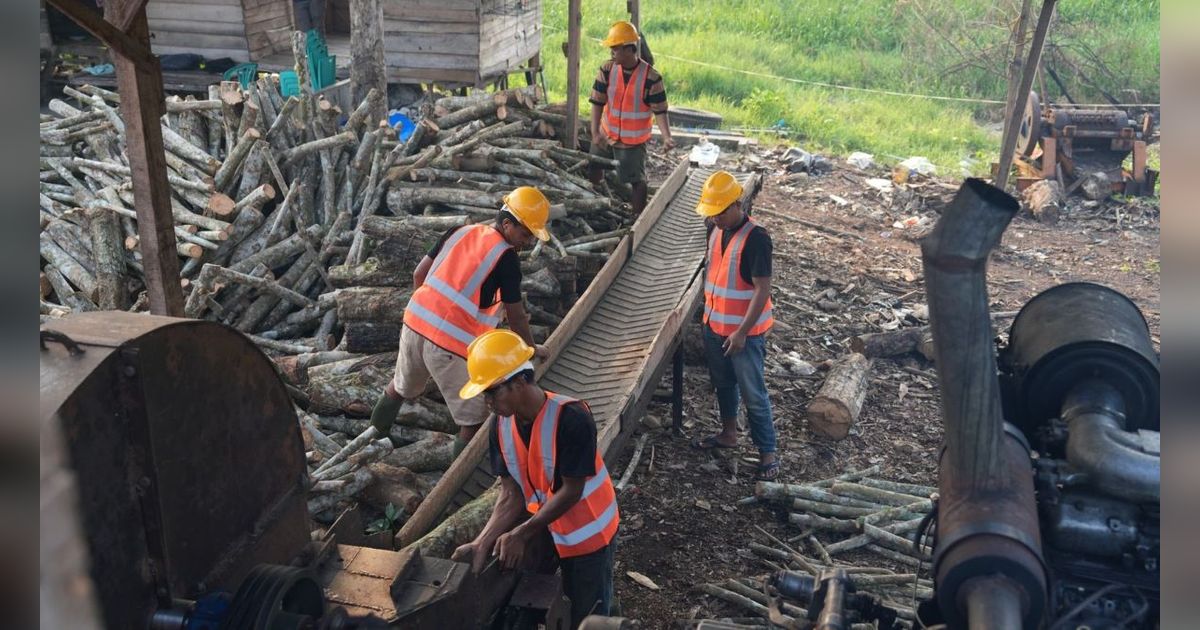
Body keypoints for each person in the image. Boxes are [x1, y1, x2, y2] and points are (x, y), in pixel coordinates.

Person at [368, 187, 553, 457]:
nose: (525, 242)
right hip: (449, 345)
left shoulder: (460, 231)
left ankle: (369, 445)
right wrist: (531, 349)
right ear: (506, 224)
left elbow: (420, 274)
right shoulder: (506, 258)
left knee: (398, 388)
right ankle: (455, 485)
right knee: (473, 419)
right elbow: (515, 314)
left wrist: (427, 311)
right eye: (524, 234)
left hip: (414, 324)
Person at [451, 330, 618, 627]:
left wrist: (522, 533)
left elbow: (572, 491)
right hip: (547, 527)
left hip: (588, 533)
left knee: (589, 614)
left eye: (492, 391)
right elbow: (510, 493)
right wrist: (482, 541)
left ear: (519, 382)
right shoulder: (500, 426)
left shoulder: (573, 418)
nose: (487, 401)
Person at [690, 171, 780, 481]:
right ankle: (729, 433)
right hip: (715, 326)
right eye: (711, 213)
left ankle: (768, 452)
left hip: (744, 334)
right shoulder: (715, 231)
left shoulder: (756, 238)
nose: (715, 219)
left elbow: (762, 289)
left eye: (720, 213)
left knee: (753, 392)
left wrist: (742, 331)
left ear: (736, 204)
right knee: (723, 383)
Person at [588, 20, 675, 215]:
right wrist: (594, 132)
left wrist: (666, 136)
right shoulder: (607, 70)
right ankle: (594, 203)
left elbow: (660, 110)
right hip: (606, 132)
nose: (612, 53)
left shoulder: (651, 78)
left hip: (632, 141)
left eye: (616, 49)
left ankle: (637, 218)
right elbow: (597, 101)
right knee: (594, 165)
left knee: (637, 180)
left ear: (630, 49)